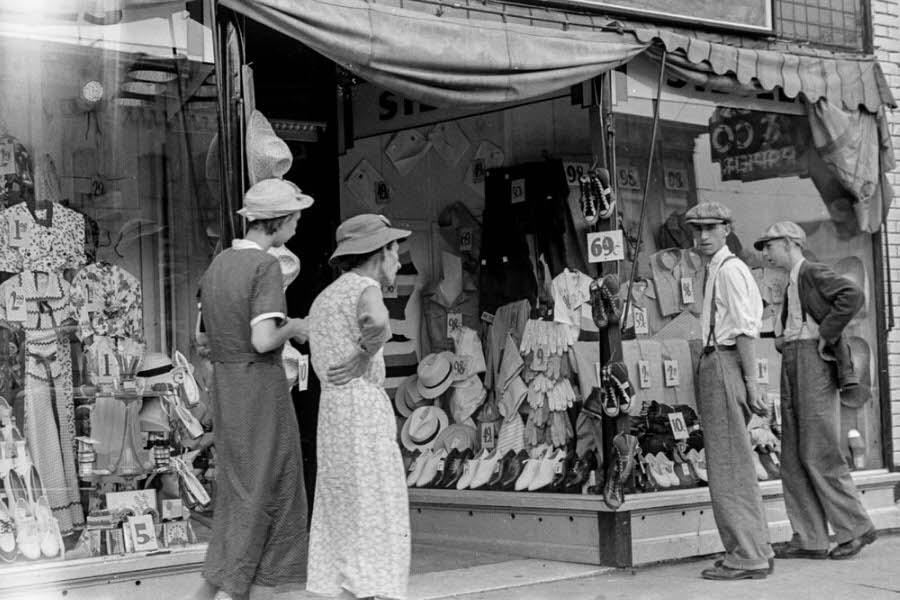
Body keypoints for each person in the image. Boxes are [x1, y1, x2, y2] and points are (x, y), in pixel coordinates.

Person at [196, 178, 313, 600]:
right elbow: (264, 339)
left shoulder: (218, 265)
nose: (297, 226)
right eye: (295, 219)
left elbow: (203, 338)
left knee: (241, 490)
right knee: (276, 488)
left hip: (226, 386)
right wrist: (295, 327)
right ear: (277, 222)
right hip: (259, 387)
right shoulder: (264, 267)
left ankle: (217, 588)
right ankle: (259, 588)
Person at [756, 221, 876, 560]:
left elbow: (852, 295)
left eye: (770, 244)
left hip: (812, 360)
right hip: (794, 357)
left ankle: (855, 528)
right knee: (793, 455)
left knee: (818, 449)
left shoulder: (810, 271)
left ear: (791, 242)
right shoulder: (792, 279)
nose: (765, 251)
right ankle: (809, 537)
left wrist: (828, 329)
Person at [306, 214, 412, 600]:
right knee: (376, 503)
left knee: (344, 507)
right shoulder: (365, 287)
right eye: (394, 251)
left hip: (332, 413)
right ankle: (373, 589)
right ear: (379, 252)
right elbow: (379, 321)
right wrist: (366, 354)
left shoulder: (324, 297)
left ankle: (349, 588)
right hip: (362, 407)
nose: (398, 261)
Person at [687, 201, 774, 580]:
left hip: (723, 361)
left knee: (728, 466)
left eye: (710, 228)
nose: (702, 236)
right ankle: (757, 547)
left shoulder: (730, 270)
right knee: (733, 461)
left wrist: (752, 382)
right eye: (697, 230)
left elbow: (744, 329)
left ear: (726, 229)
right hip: (718, 361)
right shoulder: (717, 269)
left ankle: (746, 554)